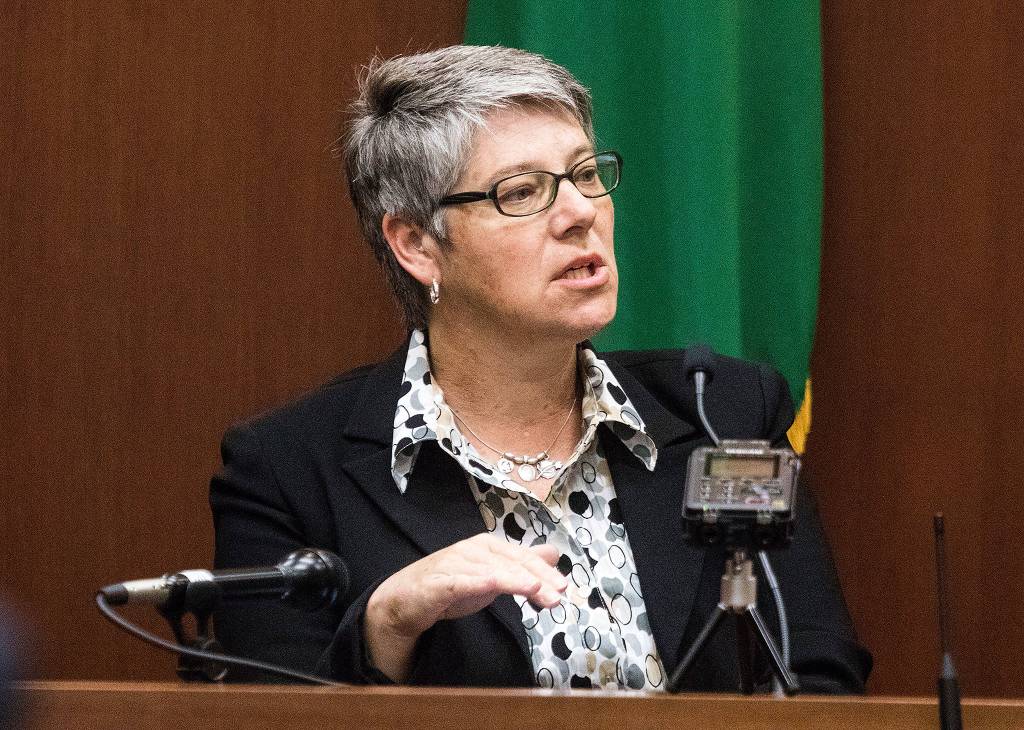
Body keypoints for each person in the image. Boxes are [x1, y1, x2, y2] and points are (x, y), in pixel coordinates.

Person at [210, 45, 871, 692]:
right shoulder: (287, 472)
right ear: (417, 244)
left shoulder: (721, 413)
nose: (582, 212)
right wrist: (386, 624)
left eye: (586, 175)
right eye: (523, 191)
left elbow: (821, 683)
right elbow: (275, 713)